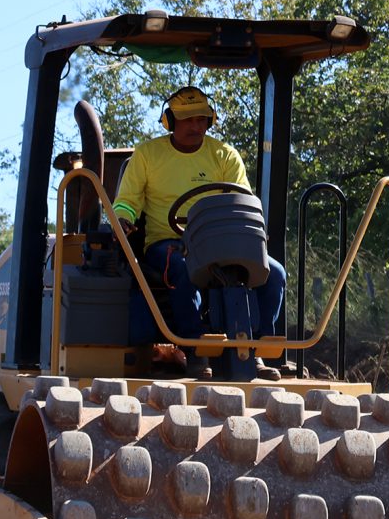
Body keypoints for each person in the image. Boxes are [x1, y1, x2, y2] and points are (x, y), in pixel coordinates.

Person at [110, 86, 286, 376]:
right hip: (167, 242)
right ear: (170, 121)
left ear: (210, 121)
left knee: (274, 273)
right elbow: (127, 203)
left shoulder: (224, 156)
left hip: (221, 244)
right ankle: (195, 352)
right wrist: (122, 219)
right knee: (184, 269)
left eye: (201, 119)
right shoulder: (147, 155)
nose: (195, 126)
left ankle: (253, 351)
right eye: (188, 119)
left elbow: (241, 203)